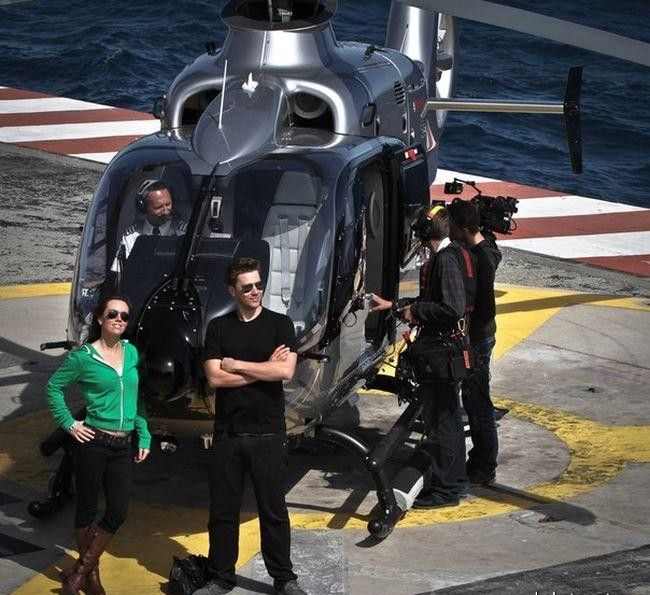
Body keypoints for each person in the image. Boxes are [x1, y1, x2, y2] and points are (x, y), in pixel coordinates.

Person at [198, 258, 307, 595]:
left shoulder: (280, 325)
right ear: (232, 290)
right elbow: (215, 378)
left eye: (259, 284)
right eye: (247, 287)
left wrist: (238, 365)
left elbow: (285, 372)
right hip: (228, 435)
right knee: (223, 513)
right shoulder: (218, 328)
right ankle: (220, 577)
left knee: (273, 512)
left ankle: (284, 579)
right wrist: (263, 369)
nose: (255, 291)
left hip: (268, 435)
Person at [371, 204, 476, 509]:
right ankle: (454, 482)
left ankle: (447, 489)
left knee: (443, 423)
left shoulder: (445, 260)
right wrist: (396, 306)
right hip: (447, 352)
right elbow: (438, 300)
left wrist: (415, 311)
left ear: (426, 231)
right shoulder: (454, 254)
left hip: (441, 355)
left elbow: (451, 308)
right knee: (448, 419)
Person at [46, 294, 151, 595]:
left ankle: (79, 571)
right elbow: (53, 388)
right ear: (100, 318)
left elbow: (136, 398)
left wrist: (144, 433)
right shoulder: (83, 358)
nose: (119, 319)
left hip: (122, 445)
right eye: (113, 314)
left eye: (125, 316)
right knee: (87, 509)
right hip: (93, 442)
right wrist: (69, 423)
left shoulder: (131, 353)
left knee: (118, 511)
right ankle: (91, 578)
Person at [447, 198, 502, 487]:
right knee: (475, 398)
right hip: (482, 334)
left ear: (464, 229)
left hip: (477, 338)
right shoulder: (487, 248)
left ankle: (483, 465)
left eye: (452, 227)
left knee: (477, 402)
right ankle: (482, 462)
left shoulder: (480, 259)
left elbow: (479, 306)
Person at [111, 180, 187, 271]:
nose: (165, 211)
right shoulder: (131, 235)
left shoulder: (184, 233)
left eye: (168, 204)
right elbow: (120, 272)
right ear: (144, 209)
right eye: (158, 207)